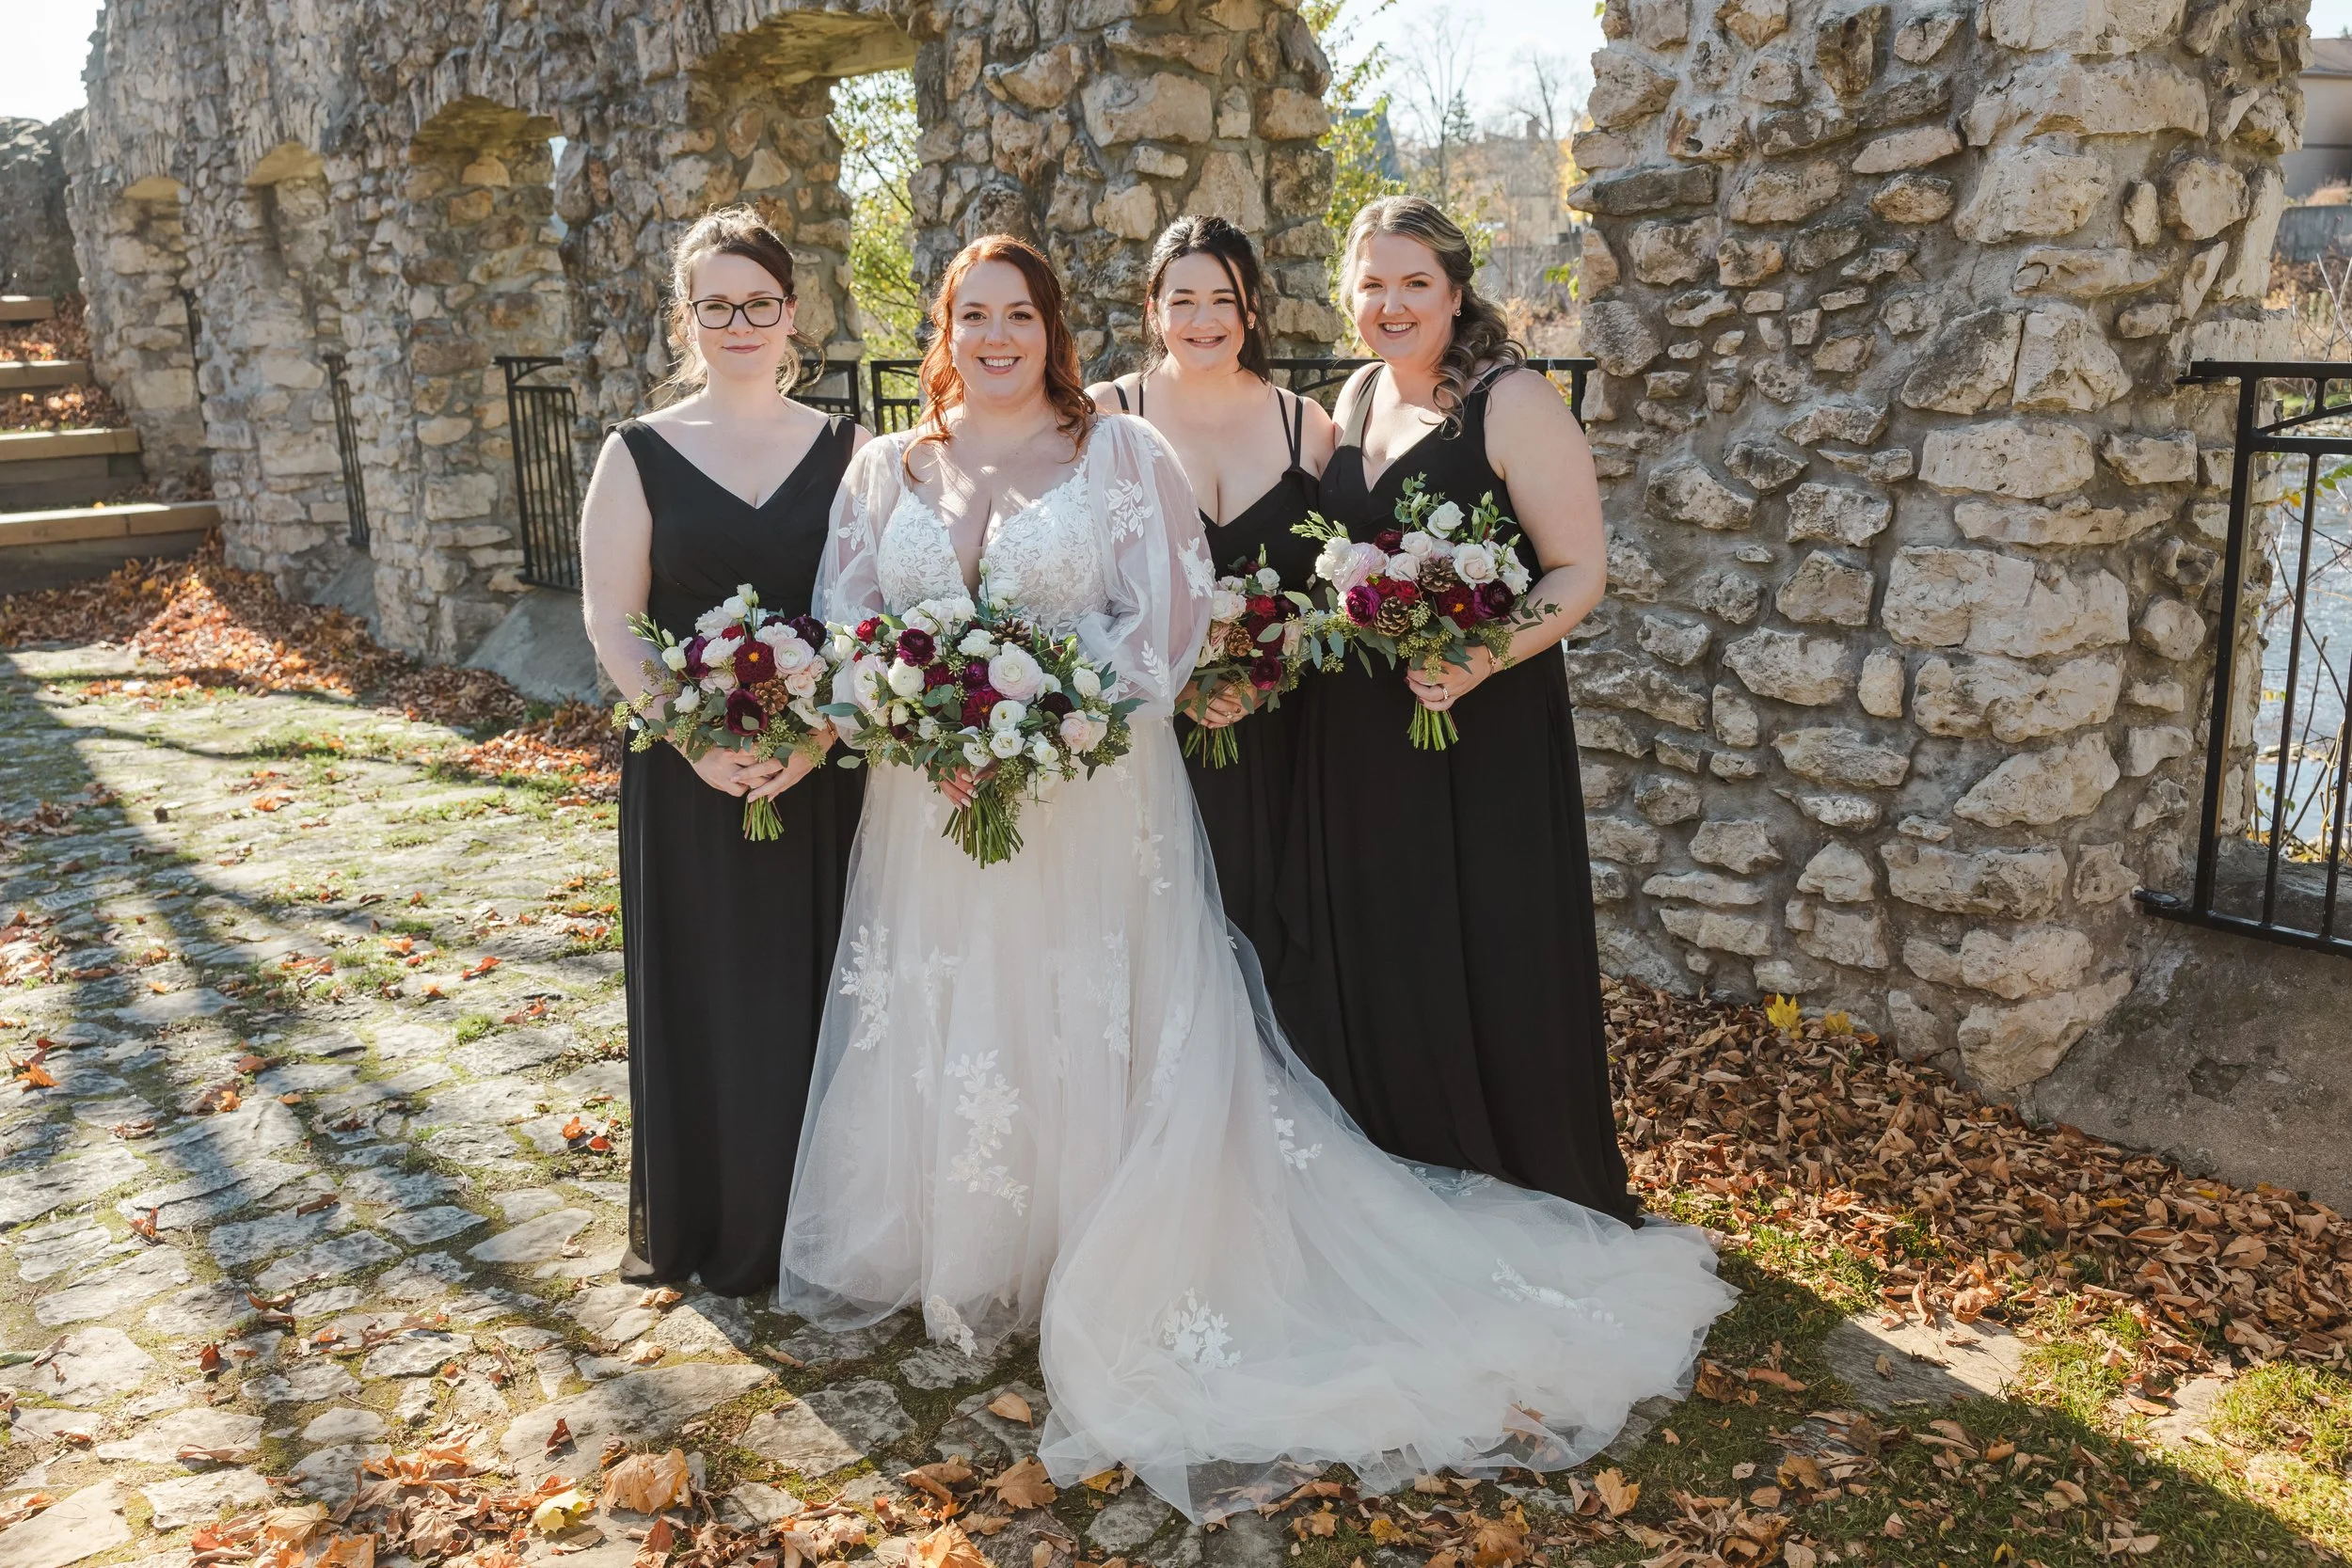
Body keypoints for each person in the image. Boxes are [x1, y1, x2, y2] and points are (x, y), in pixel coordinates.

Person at [779, 233, 1731, 1523]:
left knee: (1087, 998)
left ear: (1054, 329)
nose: (997, 336)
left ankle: (1112, 1246)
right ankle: (978, 1247)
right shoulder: (888, 466)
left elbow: (1162, 622)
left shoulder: (1122, 451)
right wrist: (920, 726)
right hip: (931, 810)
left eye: (1021, 314)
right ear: (944, 327)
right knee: (965, 1004)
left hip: (1081, 788)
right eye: (974, 315)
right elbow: (848, 630)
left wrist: (1049, 721)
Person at [1271, 195, 1635, 1219]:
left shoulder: (1510, 401)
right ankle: (1392, 1146)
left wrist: (1479, 655)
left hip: (1481, 728)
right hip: (1357, 731)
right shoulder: (1353, 396)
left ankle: (1503, 1156)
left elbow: (1577, 570)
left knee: (1481, 933)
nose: (1391, 303)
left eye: (1413, 283)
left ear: (1455, 291)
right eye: (1372, 284)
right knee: (1385, 930)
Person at [579, 206, 867, 1296]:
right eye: (716, 306)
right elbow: (614, 619)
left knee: (824, 983)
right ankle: (709, 1218)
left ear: (791, 315)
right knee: (707, 992)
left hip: (825, 768)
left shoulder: (851, 449)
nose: (738, 322)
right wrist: (694, 741)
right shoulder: (638, 452)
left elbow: (872, 611)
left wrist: (821, 728)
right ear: (685, 318)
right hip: (687, 773)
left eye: (758, 303)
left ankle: (827, 1226)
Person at [1086, 216, 1335, 974]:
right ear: (1153, 309)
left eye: (1222, 300)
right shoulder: (1107, 415)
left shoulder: (1308, 428)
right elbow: (1077, 577)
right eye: (1182, 299)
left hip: (1281, 731)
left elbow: (1331, 587)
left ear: (1251, 311)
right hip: (1148, 734)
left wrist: (1269, 671)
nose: (1203, 320)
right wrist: (1173, 681)